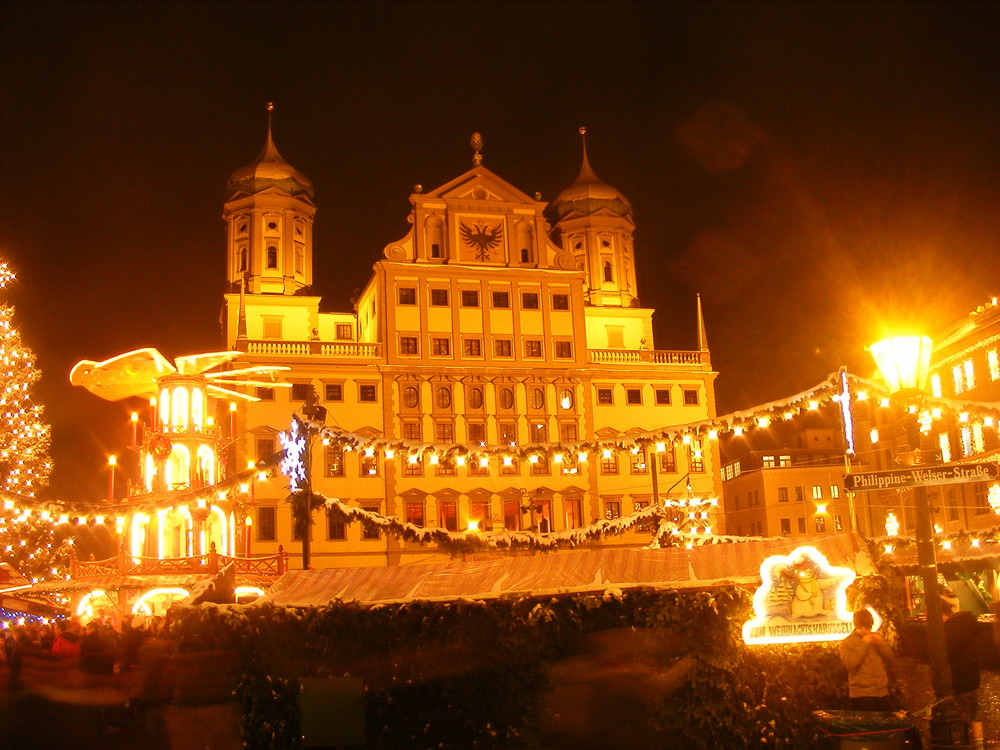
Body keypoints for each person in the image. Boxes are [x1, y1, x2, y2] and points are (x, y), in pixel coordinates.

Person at [840, 609, 897, 711]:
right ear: (857, 626)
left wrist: (882, 645)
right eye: (864, 627)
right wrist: (864, 643)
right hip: (862, 695)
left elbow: (891, 660)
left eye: (869, 627)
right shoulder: (847, 643)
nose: (867, 630)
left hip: (882, 692)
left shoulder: (876, 639)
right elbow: (849, 664)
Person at [942, 594, 986, 722]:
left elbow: (948, 653)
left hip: (962, 678)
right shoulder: (962, 623)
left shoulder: (953, 627)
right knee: (969, 713)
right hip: (969, 677)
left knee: (964, 716)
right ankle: (973, 735)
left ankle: (970, 738)